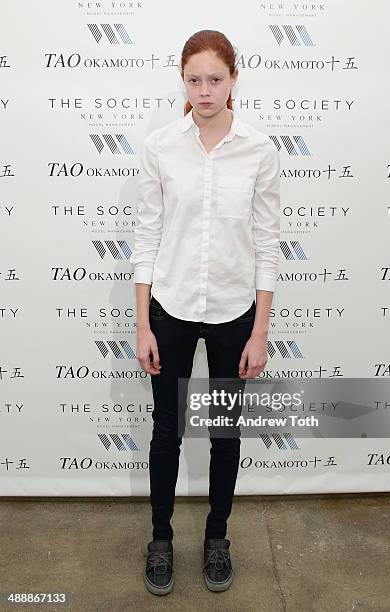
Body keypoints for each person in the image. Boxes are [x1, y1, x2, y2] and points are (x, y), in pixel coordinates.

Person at [129, 29, 281, 596]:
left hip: (233, 311)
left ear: (234, 79)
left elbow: (267, 244)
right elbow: (147, 237)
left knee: (224, 432)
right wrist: (143, 322)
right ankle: (160, 540)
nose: (204, 90)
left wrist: (260, 330)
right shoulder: (161, 146)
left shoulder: (259, 150)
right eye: (194, 80)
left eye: (215, 79)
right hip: (169, 307)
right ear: (183, 81)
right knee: (165, 431)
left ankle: (217, 538)